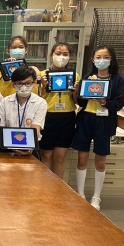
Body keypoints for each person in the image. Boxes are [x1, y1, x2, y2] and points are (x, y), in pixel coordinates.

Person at [72, 45, 124, 211]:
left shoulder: (117, 80)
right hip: (85, 120)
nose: (102, 60)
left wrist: (104, 102)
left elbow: (120, 103)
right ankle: (80, 194)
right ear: (92, 60)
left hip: (104, 121)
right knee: (82, 158)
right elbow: (81, 102)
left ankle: (96, 197)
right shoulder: (88, 77)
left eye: (106, 57)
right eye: (98, 57)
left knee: (100, 161)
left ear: (111, 59)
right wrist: (77, 91)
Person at [39, 43, 80, 179]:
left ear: (70, 57)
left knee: (60, 156)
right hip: (47, 117)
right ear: (51, 56)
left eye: (65, 54)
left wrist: (75, 91)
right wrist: (43, 87)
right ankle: (45, 187)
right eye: (58, 53)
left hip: (67, 118)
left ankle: (57, 188)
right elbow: (36, 100)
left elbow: (76, 101)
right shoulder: (42, 75)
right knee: (46, 155)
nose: (61, 57)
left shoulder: (75, 76)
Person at [0, 66, 47, 157]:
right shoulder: (5, 102)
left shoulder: (40, 103)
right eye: (20, 83)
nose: (24, 87)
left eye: (28, 83)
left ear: (34, 82)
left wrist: (29, 147)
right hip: (8, 146)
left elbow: (36, 127)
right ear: (13, 84)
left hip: (30, 146)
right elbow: (2, 127)